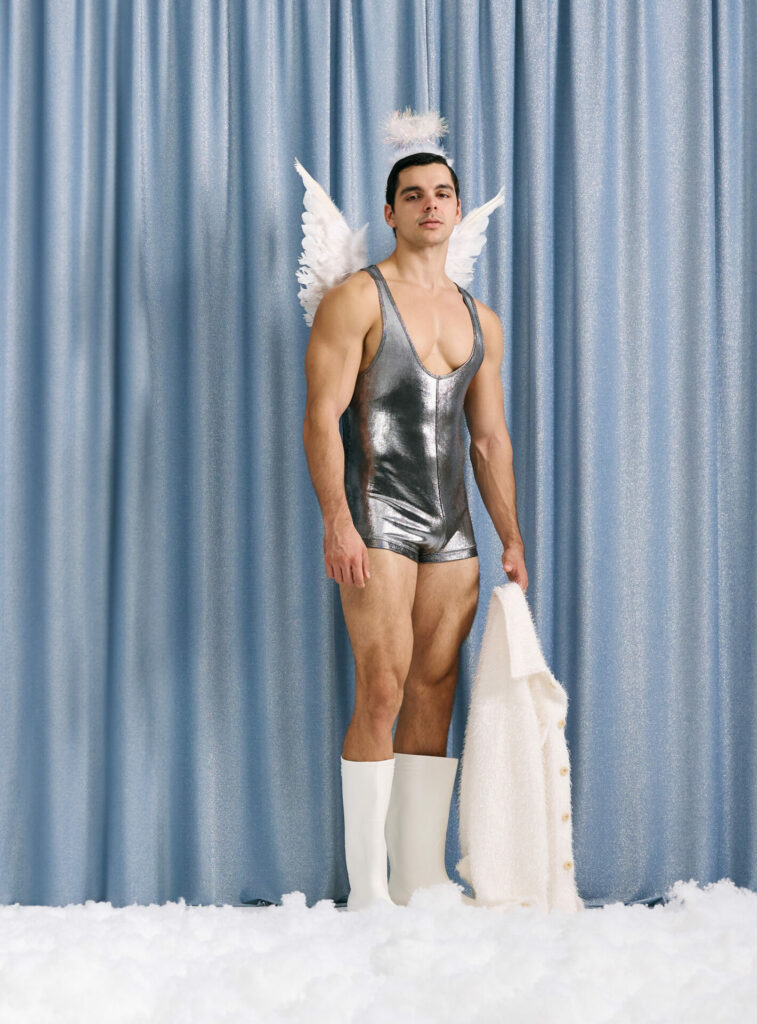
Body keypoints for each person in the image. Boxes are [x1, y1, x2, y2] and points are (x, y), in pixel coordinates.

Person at [302, 151, 528, 910]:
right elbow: (321, 420)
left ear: (456, 211)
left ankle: (419, 877)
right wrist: (338, 521)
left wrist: (512, 538)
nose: (429, 205)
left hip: (452, 527)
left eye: (442, 194)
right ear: (391, 213)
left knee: (435, 687)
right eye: (412, 195)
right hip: (379, 518)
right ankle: (368, 890)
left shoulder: (478, 317)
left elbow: (489, 440)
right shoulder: (355, 301)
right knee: (383, 688)